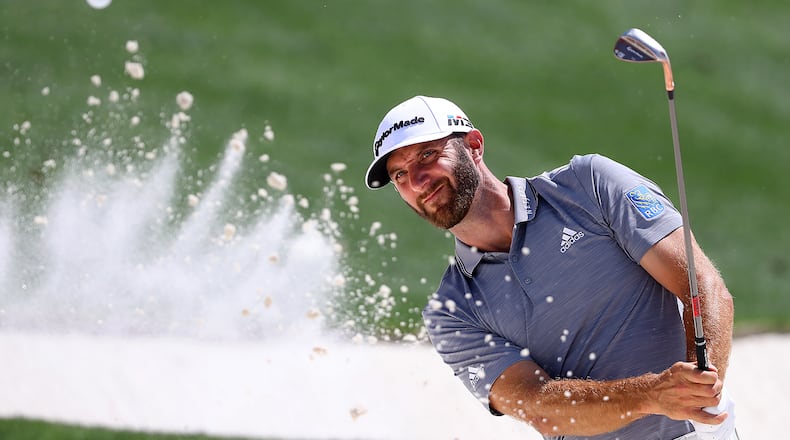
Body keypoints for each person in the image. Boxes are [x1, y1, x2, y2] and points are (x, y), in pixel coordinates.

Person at [364, 95, 737, 440]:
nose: (416, 181)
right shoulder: (452, 312)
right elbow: (538, 406)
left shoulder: (589, 185)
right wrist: (654, 396)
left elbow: (701, 285)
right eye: (400, 175)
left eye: (428, 155)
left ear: (474, 146)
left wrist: (699, 397)